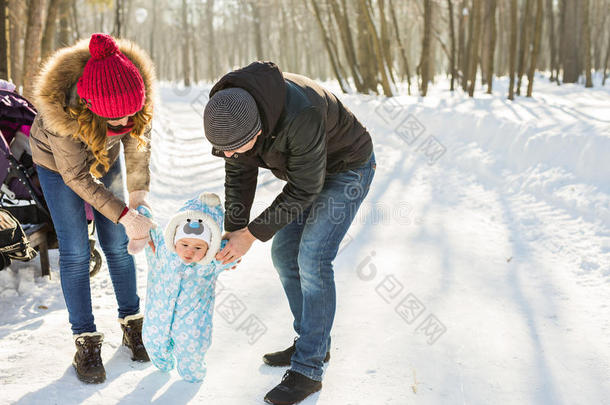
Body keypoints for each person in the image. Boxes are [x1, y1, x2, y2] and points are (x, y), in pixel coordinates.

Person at [203, 61, 375, 404]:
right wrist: (234, 230)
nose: (231, 155)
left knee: (312, 256)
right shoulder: (231, 111)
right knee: (283, 253)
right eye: (225, 150)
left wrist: (250, 235)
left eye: (237, 148)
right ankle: (313, 342)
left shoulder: (300, 115)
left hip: (347, 168)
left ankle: (308, 370)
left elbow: (304, 188)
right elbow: (239, 174)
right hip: (309, 173)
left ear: (258, 130)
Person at [29, 33, 156, 384]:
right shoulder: (63, 112)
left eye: (129, 117)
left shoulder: (132, 89)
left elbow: (138, 143)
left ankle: (132, 324)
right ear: (90, 108)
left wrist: (137, 196)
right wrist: (123, 214)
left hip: (105, 156)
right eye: (115, 121)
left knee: (117, 243)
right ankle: (85, 340)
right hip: (60, 168)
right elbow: (77, 178)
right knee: (74, 251)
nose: (123, 125)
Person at [138, 193, 239, 382]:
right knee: (152, 341)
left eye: (198, 248)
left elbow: (231, 253)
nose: (189, 251)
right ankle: (162, 363)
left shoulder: (210, 264)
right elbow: (149, 227)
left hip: (193, 324)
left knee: (191, 349)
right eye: (184, 244)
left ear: (210, 248)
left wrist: (230, 250)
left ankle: (193, 376)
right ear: (174, 237)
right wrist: (142, 214)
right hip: (157, 316)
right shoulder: (161, 250)